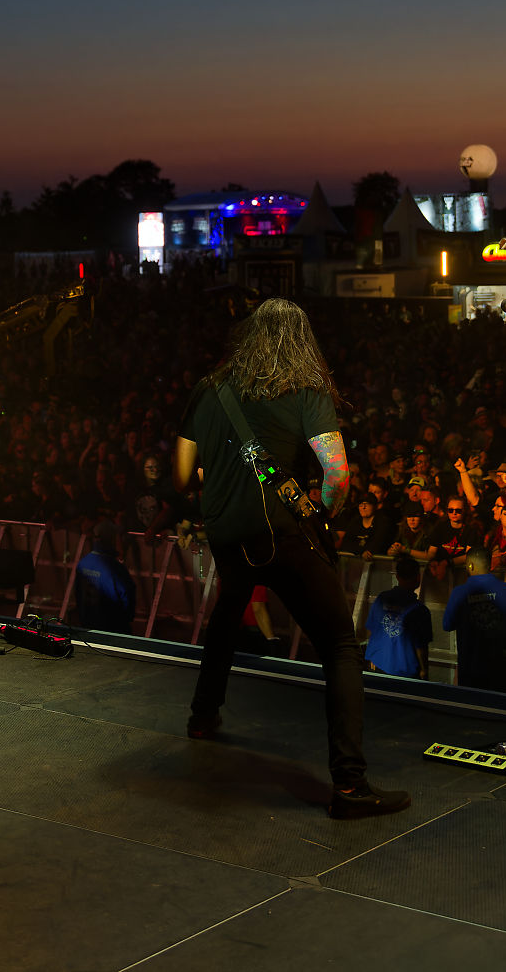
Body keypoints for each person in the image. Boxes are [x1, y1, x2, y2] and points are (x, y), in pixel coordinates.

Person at [174, 298, 408, 819]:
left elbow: (182, 476)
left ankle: (201, 714)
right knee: (341, 648)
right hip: (281, 534)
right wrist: (319, 516)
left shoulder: (210, 388)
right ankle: (349, 785)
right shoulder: (306, 390)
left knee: (228, 608)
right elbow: (338, 476)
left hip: (227, 536)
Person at [443, 549, 506, 691]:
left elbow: (447, 625)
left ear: (470, 566)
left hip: (471, 670)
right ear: (490, 566)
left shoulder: (459, 593)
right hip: (504, 670)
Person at [364, 556, 433, 678]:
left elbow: (371, 631)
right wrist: (424, 670)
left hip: (378, 665)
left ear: (397, 576)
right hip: (405, 673)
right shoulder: (420, 610)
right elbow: (421, 647)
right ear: (418, 578)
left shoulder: (381, 599)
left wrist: (372, 658)